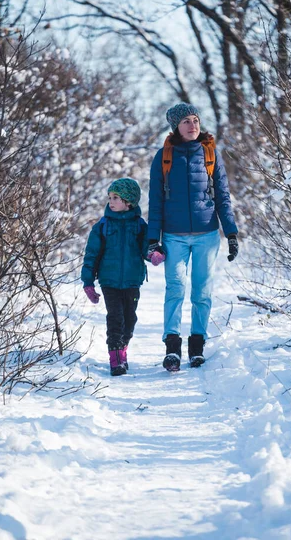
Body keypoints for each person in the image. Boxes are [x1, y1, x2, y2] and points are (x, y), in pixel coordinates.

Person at [148, 102, 239, 371]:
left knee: (202, 292)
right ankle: (172, 349)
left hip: (207, 234)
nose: (192, 125)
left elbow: (223, 197)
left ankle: (197, 347)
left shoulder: (210, 154)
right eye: (186, 121)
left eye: (196, 120)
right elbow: (155, 202)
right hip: (174, 236)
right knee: (175, 289)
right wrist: (153, 239)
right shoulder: (163, 157)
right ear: (176, 126)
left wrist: (231, 233)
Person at [81, 178, 148, 376]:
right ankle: (116, 359)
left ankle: (123, 348)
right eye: (109, 197)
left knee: (129, 318)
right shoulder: (102, 226)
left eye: (116, 197)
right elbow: (91, 255)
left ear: (129, 202)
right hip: (108, 281)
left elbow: (146, 248)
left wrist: (154, 253)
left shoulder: (140, 226)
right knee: (115, 317)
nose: (110, 201)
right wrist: (88, 282)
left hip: (132, 280)